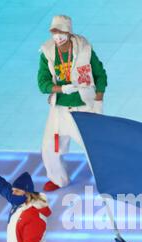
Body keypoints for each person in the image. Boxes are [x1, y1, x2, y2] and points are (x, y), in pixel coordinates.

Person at [38, 15, 108, 191]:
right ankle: (57, 179)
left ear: (69, 32)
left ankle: (107, 179)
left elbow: (100, 73)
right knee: (49, 146)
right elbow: (42, 82)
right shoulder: (47, 52)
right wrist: (60, 90)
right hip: (60, 109)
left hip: (84, 106)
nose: (57, 36)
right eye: (54, 32)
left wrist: (99, 98)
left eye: (61, 32)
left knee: (94, 145)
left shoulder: (84, 48)